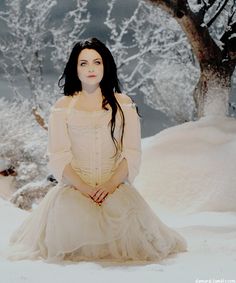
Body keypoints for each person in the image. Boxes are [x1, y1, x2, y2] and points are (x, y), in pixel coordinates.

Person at [4, 38, 187, 263]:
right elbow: (58, 156)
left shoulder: (124, 104)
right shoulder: (62, 107)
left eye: (97, 62)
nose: (91, 68)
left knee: (130, 233)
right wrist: (87, 189)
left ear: (105, 66)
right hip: (75, 189)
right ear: (75, 69)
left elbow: (132, 152)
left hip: (115, 188)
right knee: (70, 224)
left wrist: (109, 187)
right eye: (83, 63)